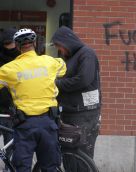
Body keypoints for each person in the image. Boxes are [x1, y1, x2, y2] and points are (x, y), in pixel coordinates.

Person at [0, 28, 66, 172]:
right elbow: (63, 67)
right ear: (35, 43)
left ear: (17, 46)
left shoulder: (8, 69)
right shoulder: (49, 62)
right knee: (50, 167)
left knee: (22, 167)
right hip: (48, 123)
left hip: (25, 125)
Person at [51, 26, 101, 159]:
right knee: (70, 156)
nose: (59, 50)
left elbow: (84, 79)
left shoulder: (86, 54)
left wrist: (57, 83)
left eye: (59, 46)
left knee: (82, 155)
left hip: (84, 114)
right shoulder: (70, 57)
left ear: (66, 42)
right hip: (72, 112)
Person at [0, 28, 20, 172]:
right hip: (8, 108)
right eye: (7, 43)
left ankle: (9, 169)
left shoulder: (21, 58)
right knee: (10, 144)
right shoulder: (20, 57)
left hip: (11, 109)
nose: (10, 46)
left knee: (11, 145)